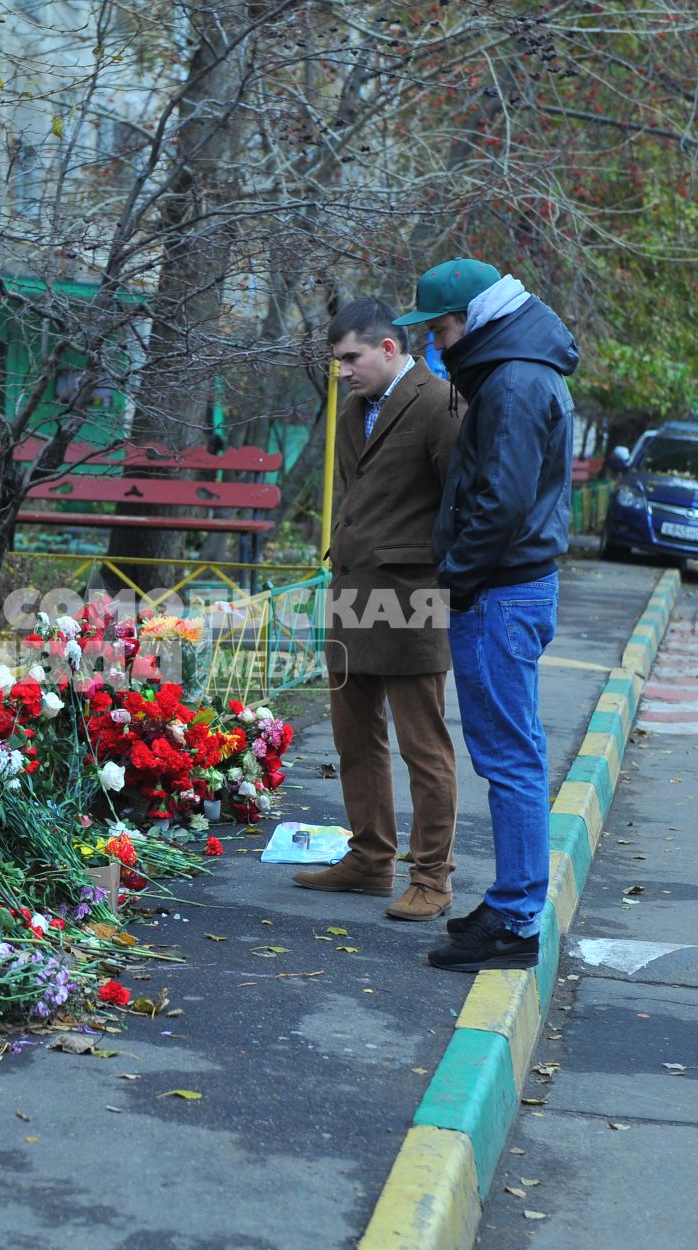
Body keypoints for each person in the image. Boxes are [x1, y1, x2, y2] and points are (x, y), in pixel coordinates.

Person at [394, 258, 577, 973]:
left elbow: (501, 502)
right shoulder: (516, 371)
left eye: (438, 329)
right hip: (509, 587)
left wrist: (457, 578)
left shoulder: (513, 381)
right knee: (512, 755)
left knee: (510, 760)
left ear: (472, 319)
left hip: (500, 590)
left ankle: (517, 920)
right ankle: (510, 904)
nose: (435, 344)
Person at [301, 298, 462, 923]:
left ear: (388, 348)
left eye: (351, 358)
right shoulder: (354, 408)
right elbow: (358, 494)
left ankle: (432, 875)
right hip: (352, 594)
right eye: (338, 360)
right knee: (354, 738)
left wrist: (446, 579)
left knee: (424, 745)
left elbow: (463, 504)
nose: (343, 371)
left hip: (414, 597)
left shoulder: (439, 404)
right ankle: (370, 860)